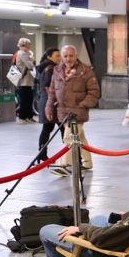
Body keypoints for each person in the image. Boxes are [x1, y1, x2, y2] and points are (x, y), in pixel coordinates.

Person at [47, 45, 100, 176]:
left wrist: (82, 105)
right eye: (65, 56)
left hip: (78, 112)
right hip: (63, 111)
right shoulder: (57, 70)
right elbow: (52, 92)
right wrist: (49, 107)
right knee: (79, 137)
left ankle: (64, 165)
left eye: (71, 56)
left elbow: (94, 92)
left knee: (68, 137)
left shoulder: (85, 71)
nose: (68, 59)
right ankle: (87, 162)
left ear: (76, 56)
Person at [35, 47, 62, 162]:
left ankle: (42, 153)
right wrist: (54, 100)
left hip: (46, 100)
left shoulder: (44, 67)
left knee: (48, 128)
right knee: (63, 128)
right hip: (51, 102)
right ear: (49, 57)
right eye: (57, 56)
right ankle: (71, 155)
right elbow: (47, 86)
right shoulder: (51, 68)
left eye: (60, 56)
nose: (59, 58)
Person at [14, 37, 37, 123]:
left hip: (26, 80)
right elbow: (30, 65)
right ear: (24, 44)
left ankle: (28, 117)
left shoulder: (23, 53)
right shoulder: (22, 54)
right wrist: (31, 57)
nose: (30, 45)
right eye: (28, 43)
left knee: (28, 98)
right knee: (25, 99)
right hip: (24, 80)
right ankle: (23, 117)